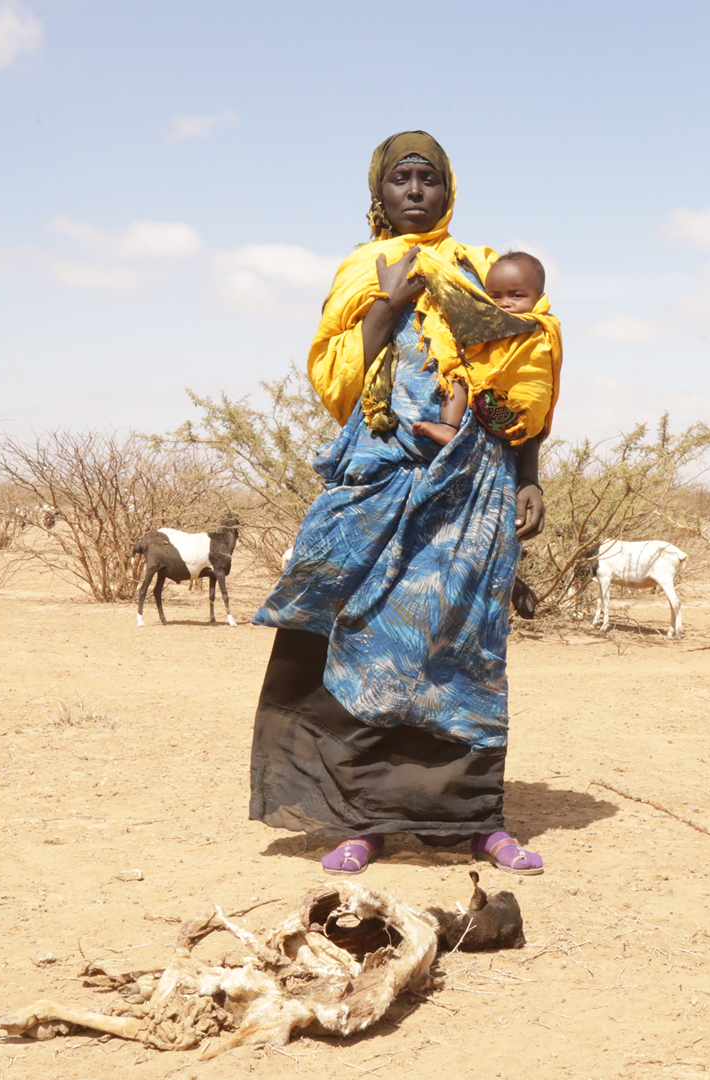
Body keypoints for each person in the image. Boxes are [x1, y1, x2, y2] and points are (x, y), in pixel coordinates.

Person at [249, 131, 558, 876]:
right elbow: (339, 383)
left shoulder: (489, 270)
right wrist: (389, 303)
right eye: (400, 180)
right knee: (356, 637)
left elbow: (522, 369)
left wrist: (529, 473)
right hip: (380, 477)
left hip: (471, 482)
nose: (415, 191)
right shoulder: (362, 269)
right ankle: (364, 822)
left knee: (462, 645)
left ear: (449, 189)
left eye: (428, 179)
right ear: (378, 194)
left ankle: (475, 820)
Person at [410, 252, 555, 448]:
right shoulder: (551, 326)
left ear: (540, 297)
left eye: (516, 295)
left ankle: (448, 426)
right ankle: (527, 473)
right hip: (528, 424)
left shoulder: (530, 324)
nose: (504, 303)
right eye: (495, 297)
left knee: (457, 374)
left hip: (504, 409)